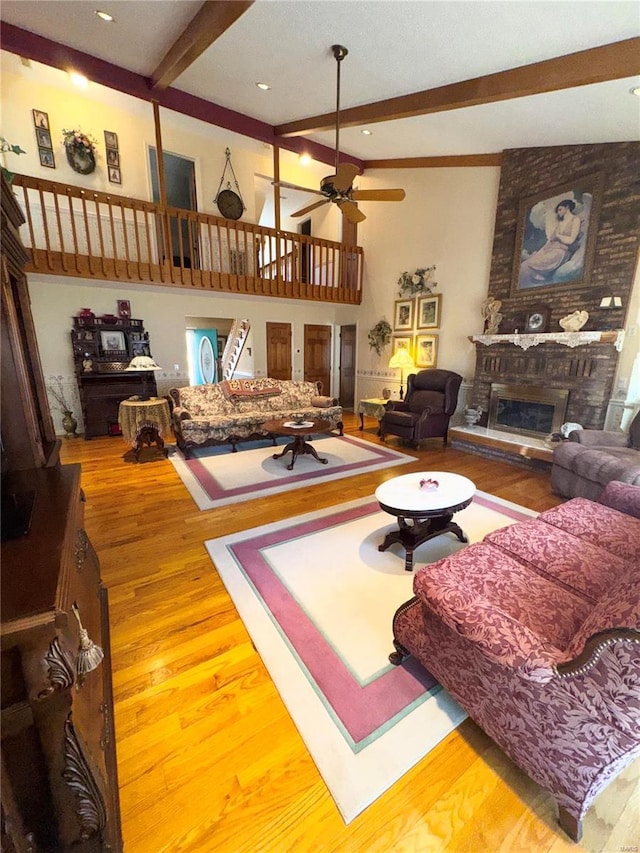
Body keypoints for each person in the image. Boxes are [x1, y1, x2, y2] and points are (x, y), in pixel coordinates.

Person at [519, 199, 581, 289]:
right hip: (551, 247)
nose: (559, 213)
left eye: (560, 209)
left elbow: (571, 240)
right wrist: (543, 249)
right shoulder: (561, 223)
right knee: (526, 264)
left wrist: (558, 236)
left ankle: (540, 279)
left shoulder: (575, 220)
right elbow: (552, 239)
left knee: (534, 264)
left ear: (567, 207)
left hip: (563, 250)